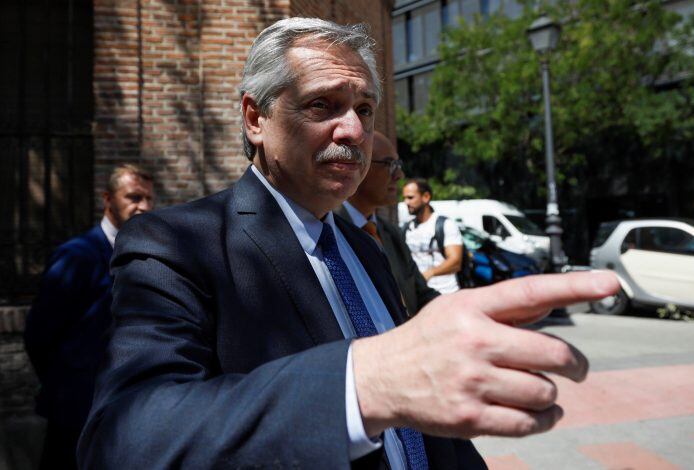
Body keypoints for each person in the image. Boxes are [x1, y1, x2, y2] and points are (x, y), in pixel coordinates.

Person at [77, 18, 619, 469]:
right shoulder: (175, 243)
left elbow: (423, 427)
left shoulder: (363, 250)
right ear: (255, 117)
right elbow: (127, 440)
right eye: (322, 106)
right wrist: (365, 384)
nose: (354, 132)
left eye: (363, 109)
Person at [24, 164, 154, 469]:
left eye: (149, 198)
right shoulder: (77, 256)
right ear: (108, 199)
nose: (144, 207)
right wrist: (68, 381)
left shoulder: (145, 255)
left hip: (125, 411)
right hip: (75, 411)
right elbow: (39, 334)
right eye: (134, 197)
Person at [336, 131, 440, 316]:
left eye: (398, 165)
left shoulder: (391, 234)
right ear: (357, 167)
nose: (399, 175)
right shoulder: (329, 231)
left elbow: (421, 294)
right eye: (389, 164)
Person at [401, 178, 464, 294]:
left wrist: (429, 273)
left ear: (426, 197)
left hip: (445, 293)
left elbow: (455, 262)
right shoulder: (406, 228)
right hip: (418, 295)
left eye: (410, 197)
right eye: (404, 198)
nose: (406, 202)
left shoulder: (444, 224)